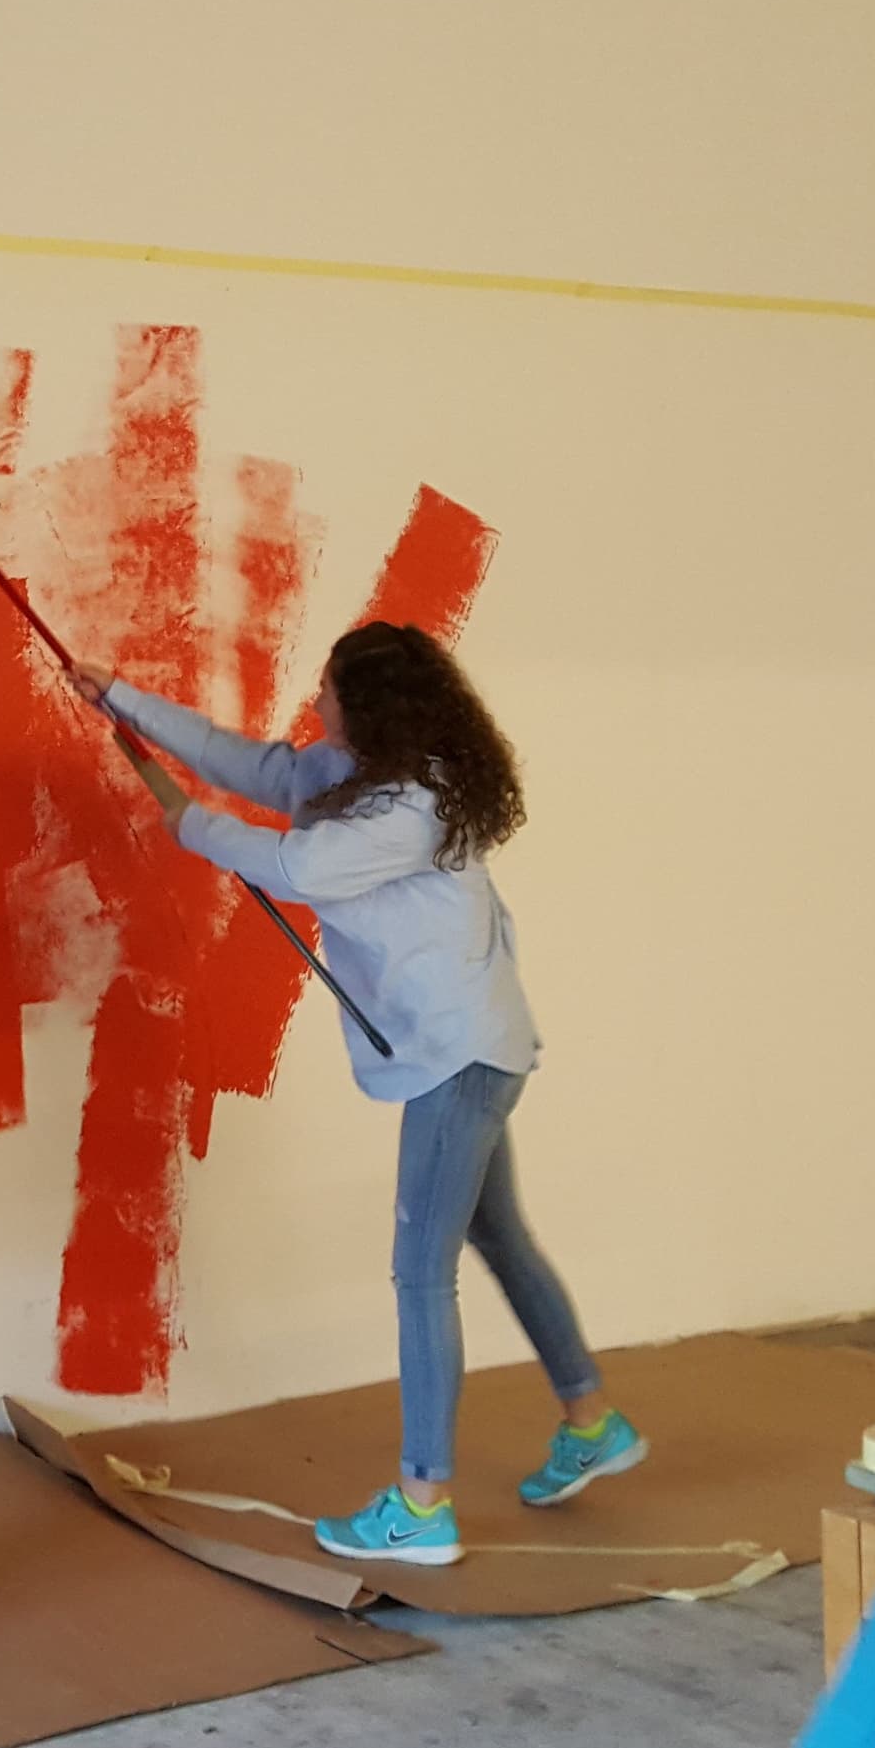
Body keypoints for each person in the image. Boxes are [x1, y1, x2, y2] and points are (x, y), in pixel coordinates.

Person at [73, 623, 637, 1567]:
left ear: (370, 707)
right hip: (470, 1049)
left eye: (329, 689)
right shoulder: (363, 777)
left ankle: (422, 1505)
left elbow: (296, 869)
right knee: (497, 1235)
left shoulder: (407, 810)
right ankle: (592, 1420)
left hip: (458, 1059)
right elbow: (254, 768)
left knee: (422, 1273)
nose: (316, 702)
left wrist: (190, 827)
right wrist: (120, 697)